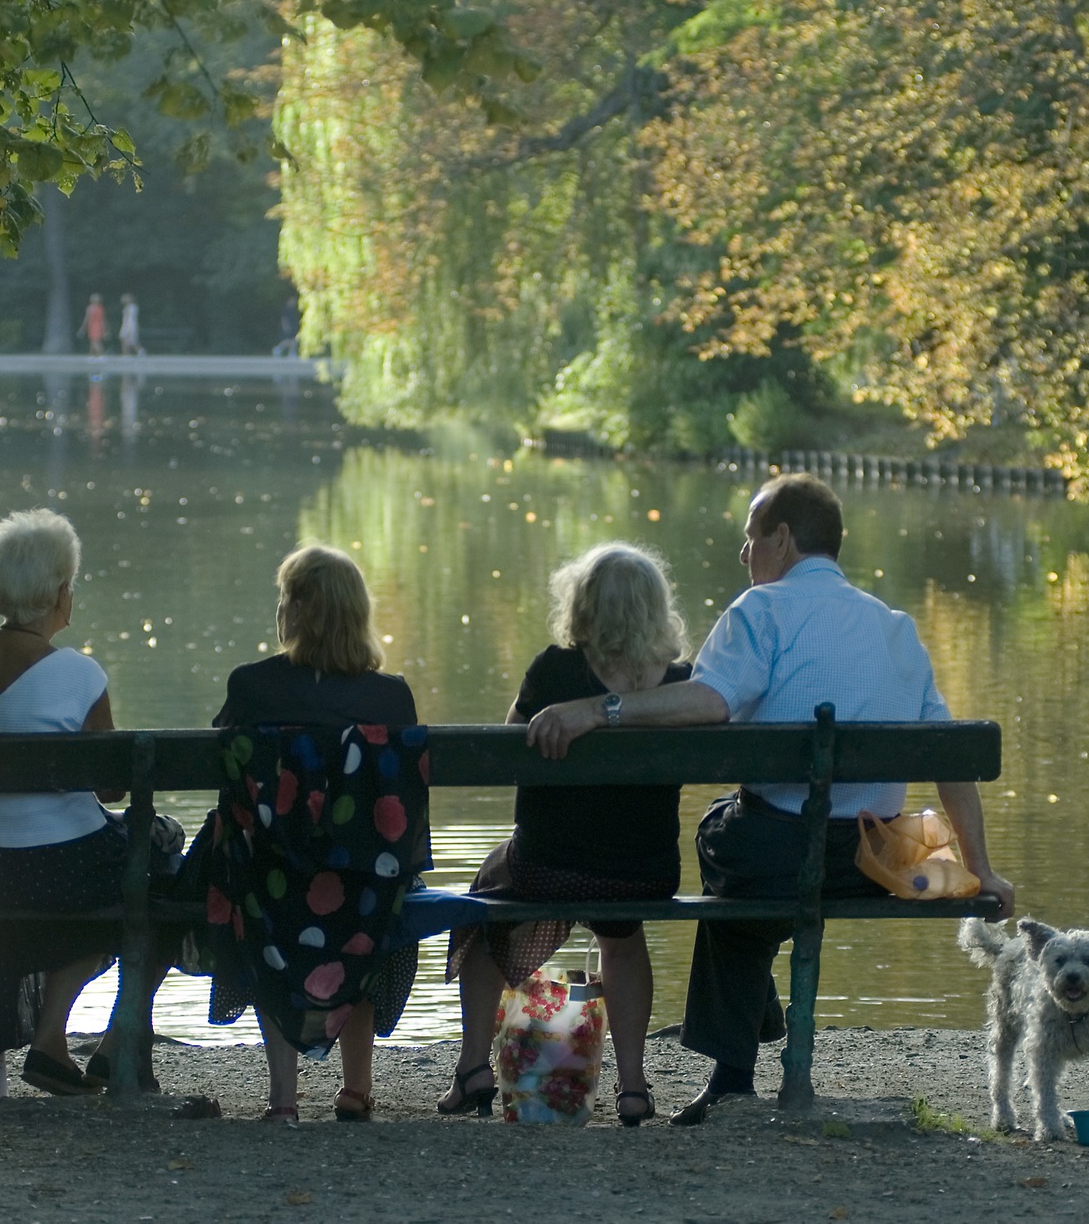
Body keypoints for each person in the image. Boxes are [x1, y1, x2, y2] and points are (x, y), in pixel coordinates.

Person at [524, 473, 1017, 1125]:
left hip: (777, 852)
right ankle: (738, 1057)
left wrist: (600, 708)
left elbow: (709, 702)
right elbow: (951, 754)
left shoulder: (759, 611)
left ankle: (731, 1076)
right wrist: (980, 867)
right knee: (736, 854)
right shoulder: (896, 628)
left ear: (782, 538)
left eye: (751, 536)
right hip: (878, 862)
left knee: (724, 846)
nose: (744, 553)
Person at [0, 508, 183, 1096]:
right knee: (160, 871)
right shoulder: (80, 674)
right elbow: (112, 789)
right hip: (67, 873)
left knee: (124, 869)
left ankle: (50, 1045)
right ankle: (118, 1037)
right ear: (58, 594)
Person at [436, 543, 690, 1126]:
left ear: (582, 606)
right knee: (622, 939)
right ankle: (631, 1087)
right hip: (642, 873)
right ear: (656, 611)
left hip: (546, 864)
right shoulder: (680, 684)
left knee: (482, 909)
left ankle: (474, 1066)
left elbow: (507, 751)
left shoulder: (553, 669)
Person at [198, 545, 421, 1123]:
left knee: (262, 890)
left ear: (295, 611)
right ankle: (355, 1090)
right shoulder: (390, 696)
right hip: (365, 892)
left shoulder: (252, 688)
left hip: (270, 884)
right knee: (377, 897)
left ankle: (284, 1100)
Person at [78, 293, 106, 358]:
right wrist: (104, 329)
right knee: (95, 341)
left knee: (94, 342)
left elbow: (87, 319)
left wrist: (82, 327)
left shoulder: (90, 308)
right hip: (98, 325)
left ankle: (100, 355)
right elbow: (103, 320)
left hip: (93, 325)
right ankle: (92, 355)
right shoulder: (100, 308)